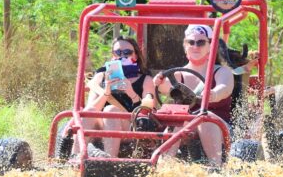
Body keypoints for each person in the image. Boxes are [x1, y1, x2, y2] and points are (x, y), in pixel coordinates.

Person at [154, 25, 235, 167]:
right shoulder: (177, 75)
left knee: (204, 117)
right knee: (179, 120)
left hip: (219, 127)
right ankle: (164, 169)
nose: (195, 46)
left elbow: (225, 88)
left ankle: (215, 168)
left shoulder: (222, 72)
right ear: (185, 47)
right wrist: (159, 83)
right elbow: (166, 87)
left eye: (201, 42)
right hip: (185, 126)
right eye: (191, 42)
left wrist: (213, 94)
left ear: (211, 46)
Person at [75, 36, 154, 157]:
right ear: (113, 55)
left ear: (135, 56)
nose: (122, 55)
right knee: (91, 111)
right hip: (100, 125)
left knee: (111, 110)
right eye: (118, 52)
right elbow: (90, 110)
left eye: (127, 52)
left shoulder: (145, 79)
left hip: (130, 126)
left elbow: (145, 112)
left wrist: (131, 92)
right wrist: (106, 93)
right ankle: (74, 160)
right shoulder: (101, 77)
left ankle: (110, 161)